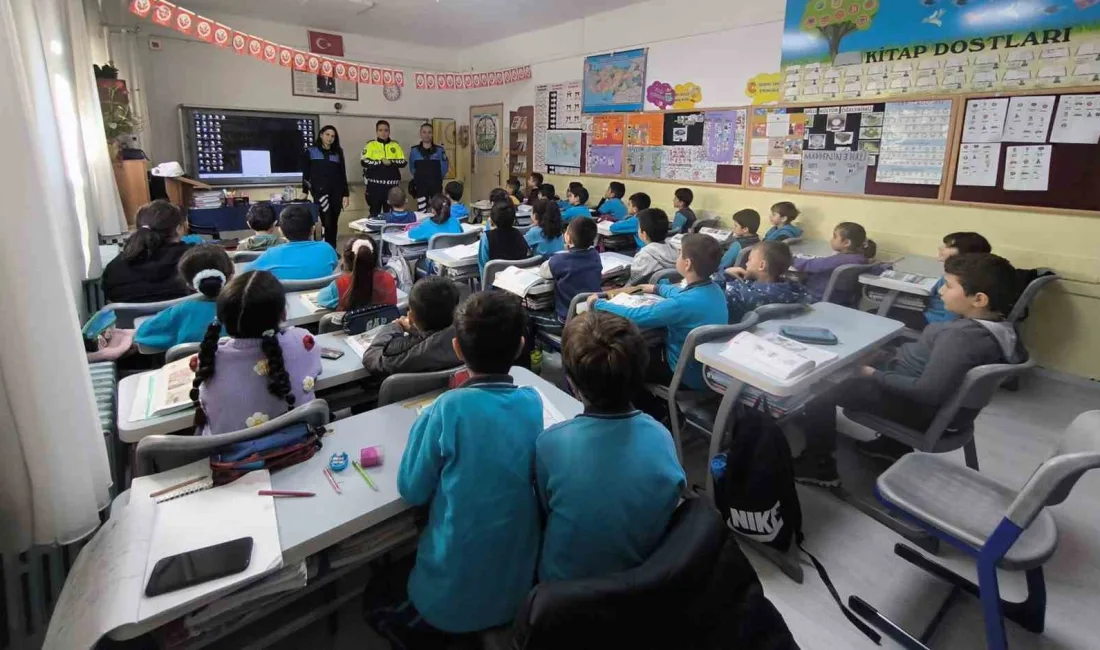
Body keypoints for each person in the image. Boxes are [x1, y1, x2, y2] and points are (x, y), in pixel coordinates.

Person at [377, 291, 542, 642]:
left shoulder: (447, 408)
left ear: (457, 348)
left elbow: (412, 488)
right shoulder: (532, 401)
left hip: (447, 601)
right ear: (519, 347)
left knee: (378, 594)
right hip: (517, 589)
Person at [792, 253, 1026, 487]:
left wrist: (871, 373)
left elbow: (928, 392)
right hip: (940, 407)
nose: (941, 291)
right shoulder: (1001, 328)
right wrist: (886, 358)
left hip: (919, 410)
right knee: (862, 358)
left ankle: (819, 465)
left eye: (948, 286)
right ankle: (891, 446)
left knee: (821, 390)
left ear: (979, 299)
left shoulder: (962, 337)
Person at [536, 311, 685, 582]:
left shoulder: (550, 444)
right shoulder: (662, 437)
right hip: (641, 583)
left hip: (562, 593)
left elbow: (546, 512)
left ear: (571, 381)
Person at [189, 270, 322, 436]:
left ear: (222, 320)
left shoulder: (209, 361)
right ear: (283, 313)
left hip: (232, 457)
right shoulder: (303, 342)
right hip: (296, 447)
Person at [590, 234, 728, 392]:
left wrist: (598, 303)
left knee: (623, 360)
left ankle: (640, 404)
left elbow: (636, 316)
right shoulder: (715, 290)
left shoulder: (680, 305)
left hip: (681, 373)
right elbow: (680, 293)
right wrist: (657, 288)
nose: (677, 256)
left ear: (687, 264)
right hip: (703, 370)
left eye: (680, 253)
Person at [362, 277, 462, 380]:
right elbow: (436, 338)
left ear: (411, 317)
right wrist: (417, 331)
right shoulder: (470, 337)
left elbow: (372, 358)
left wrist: (394, 326)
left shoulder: (399, 354)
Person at [135, 244, 233, 349]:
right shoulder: (248, 308)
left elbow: (142, 336)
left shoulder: (179, 312)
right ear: (232, 275)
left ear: (189, 284)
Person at [103, 200, 192, 303]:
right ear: (179, 229)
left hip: (133, 319)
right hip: (186, 318)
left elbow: (111, 302)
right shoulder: (197, 260)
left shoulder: (114, 269)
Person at [721, 241, 809, 323]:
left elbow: (713, 291)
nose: (746, 263)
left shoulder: (741, 294)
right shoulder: (797, 290)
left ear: (762, 265)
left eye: (749, 259)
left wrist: (726, 273)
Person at [246, 205, 339, 281]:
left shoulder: (272, 254)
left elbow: (245, 272)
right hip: (319, 301)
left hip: (285, 303)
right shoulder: (327, 249)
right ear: (313, 229)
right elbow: (334, 266)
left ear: (281, 231)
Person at [791, 221, 876, 303]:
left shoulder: (839, 260)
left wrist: (792, 259)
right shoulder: (862, 259)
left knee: (783, 287)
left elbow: (810, 265)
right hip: (840, 299)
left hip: (816, 297)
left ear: (846, 242)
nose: (831, 239)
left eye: (835, 237)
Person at [538, 217, 602, 323]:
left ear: (568, 238)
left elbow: (543, 271)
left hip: (568, 317)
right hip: (592, 314)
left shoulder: (558, 260)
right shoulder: (595, 255)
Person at [925, 232, 992, 325]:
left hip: (935, 323)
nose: (940, 248)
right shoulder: (957, 275)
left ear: (966, 254)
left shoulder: (957, 281)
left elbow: (952, 317)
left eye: (948, 247)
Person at [300, 124, 350, 248]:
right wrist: (305, 190)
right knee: (327, 221)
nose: (330, 138)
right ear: (321, 135)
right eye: (327, 135)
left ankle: (331, 249)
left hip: (336, 192)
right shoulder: (311, 151)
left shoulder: (338, 152)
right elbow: (306, 173)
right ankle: (326, 248)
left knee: (334, 222)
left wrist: (345, 194)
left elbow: (342, 173)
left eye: (333, 136)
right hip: (319, 192)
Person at [317, 238, 397, 311]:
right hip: (383, 326)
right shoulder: (388, 279)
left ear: (345, 261)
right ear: (376, 258)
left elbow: (321, 299)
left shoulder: (338, 285)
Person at [361, 120, 407, 217]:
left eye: (386, 130)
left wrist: (391, 162)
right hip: (375, 187)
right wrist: (380, 162)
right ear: (376, 132)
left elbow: (403, 162)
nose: (383, 133)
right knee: (374, 214)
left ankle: (389, 232)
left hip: (392, 188)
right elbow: (364, 162)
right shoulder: (370, 145)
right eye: (380, 130)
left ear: (389, 132)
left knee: (391, 214)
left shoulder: (395, 145)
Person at [477, 202, 531, 276]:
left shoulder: (487, 237)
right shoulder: (518, 234)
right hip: (517, 281)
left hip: (494, 283)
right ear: (513, 219)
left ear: (492, 219)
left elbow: (483, 265)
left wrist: (485, 285)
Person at [628, 208, 678, 284]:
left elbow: (633, 282)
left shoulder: (644, 256)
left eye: (638, 227)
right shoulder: (676, 251)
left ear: (644, 234)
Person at [409, 123, 449, 206]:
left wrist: (435, 178)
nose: (427, 135)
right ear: (420, 134)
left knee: (438, 208)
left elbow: (444, 168)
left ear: (432, 134)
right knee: (422, 210)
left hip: (436, 185)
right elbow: (412, 168)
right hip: (421, 186)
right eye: (424, 132)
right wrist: (421, 178)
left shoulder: (439, 150)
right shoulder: (414, 151)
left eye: (429, 132)